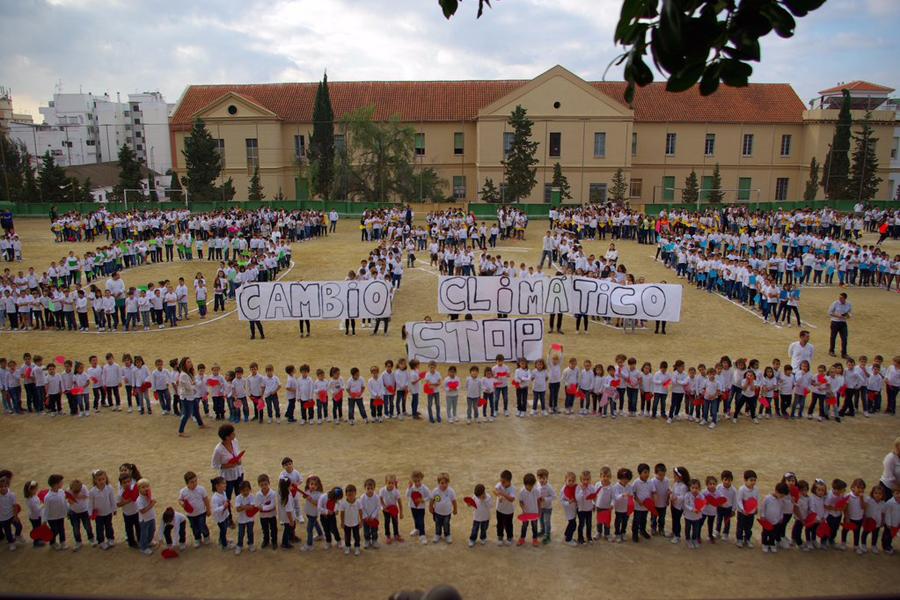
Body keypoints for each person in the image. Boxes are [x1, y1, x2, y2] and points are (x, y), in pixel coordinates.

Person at [211, 424, 244, 499]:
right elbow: (214, 464)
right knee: (227, 497)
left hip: (239, 473)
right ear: (227, 437)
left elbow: (238, 453)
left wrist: (239, 460)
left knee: (240, 495)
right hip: (227, 477)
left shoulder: (235, 441)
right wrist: (226, 466)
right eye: (232, 433)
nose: (234, 434)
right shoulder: (218, 449)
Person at [827, 292, 852, 358]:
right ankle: (831, 351)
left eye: (841, 298)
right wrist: (838, 316)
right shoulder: (835, 303)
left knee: (844, 338)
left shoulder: (848, 304)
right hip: (835, 322)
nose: (839, 299)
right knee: (833, 337)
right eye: (839, 297)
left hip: (843, 322)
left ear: (845, 298)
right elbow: (829, 312)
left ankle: (844, 353)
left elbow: (850, 313)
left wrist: (847, 316)